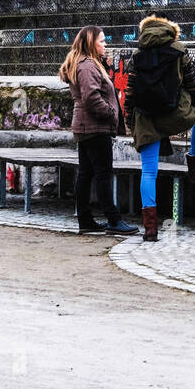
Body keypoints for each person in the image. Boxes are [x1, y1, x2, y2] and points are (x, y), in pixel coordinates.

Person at [123, 13, 195, 242]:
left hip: (146, 118)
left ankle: (150, 229)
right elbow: (192, 83)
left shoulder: (137, 55)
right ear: (168, 29)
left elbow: (130, 92)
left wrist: (129, 121)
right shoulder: (178, 49)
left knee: (148, 172)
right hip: (174, 112)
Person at [59, 26, 138, 235]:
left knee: (86, 174)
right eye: (102, 41)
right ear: (90, 43)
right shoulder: (87, 66)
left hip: (87, 126)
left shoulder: (88, 64)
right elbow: (91, 97)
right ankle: (113, 220)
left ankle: (85, 220)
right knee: (103, 174)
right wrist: (111, 113)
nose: (105, 45)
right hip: (94, 126)